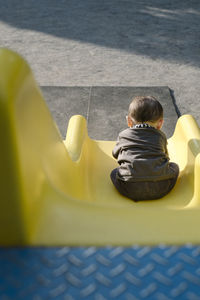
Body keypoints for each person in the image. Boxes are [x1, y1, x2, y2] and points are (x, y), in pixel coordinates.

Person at [110, 96, 179, 201]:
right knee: (174, 166)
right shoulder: (160, 136)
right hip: (161, 187)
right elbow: (165, 156)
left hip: (128, 187)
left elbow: (115, 154)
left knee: (114, 172)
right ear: (160, 123)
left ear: (129, 121)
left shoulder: (123, 135)